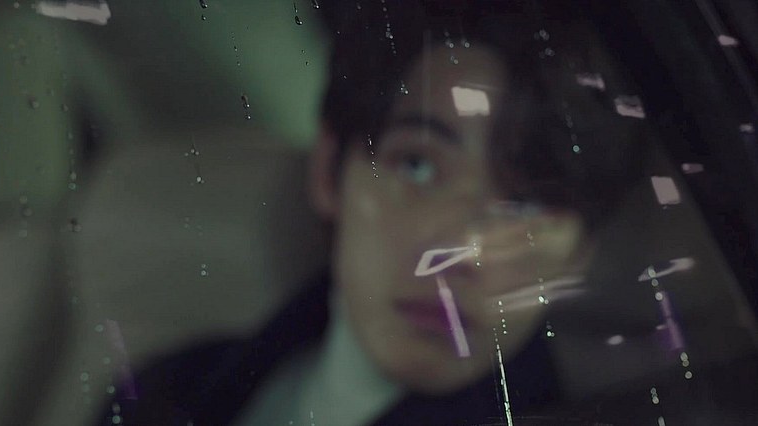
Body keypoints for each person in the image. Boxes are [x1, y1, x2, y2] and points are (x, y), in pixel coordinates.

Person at [94, 1, 654, 425]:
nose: (462, 250)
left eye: (528, 203)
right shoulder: (174, 387)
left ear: (577, 257)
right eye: (418, 167)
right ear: (329, 173)